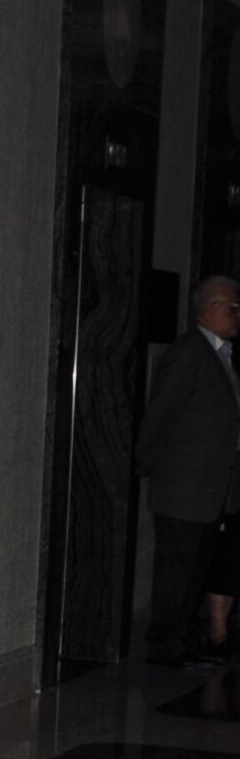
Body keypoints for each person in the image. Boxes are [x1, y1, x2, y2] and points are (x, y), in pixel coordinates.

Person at [138, 274, 240, 665]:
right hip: (184, 488)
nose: (237, 316)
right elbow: (160, 414)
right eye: (233, 308)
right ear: (211, 308)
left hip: (210, 490)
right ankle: (165, 645)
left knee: (194, 572)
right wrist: (147, 463)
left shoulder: (220, 354)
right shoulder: (189, 353)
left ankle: (184, 639)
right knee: (176, 572)